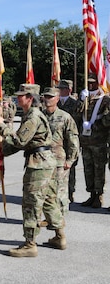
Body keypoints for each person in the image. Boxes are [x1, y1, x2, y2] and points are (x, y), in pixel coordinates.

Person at [0, 83, 65, 257]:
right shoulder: (32, 114)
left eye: (21, 95)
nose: (18, 98)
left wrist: (1, 125)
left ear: (29, 98)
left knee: (31, 203)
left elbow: (19, 141)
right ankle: (60, 236)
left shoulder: (33, 116)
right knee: (49, 200)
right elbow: (20, 144)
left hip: (39, 164)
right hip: (44, 161)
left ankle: (30, 244)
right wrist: (2, 148)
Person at [42, 87, 79, 216]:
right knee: (46, 190)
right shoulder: (41, 116)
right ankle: (50, 217)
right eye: (46, 96)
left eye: (50, 97)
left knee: (60, 190)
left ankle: (61, 217)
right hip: (43, 160)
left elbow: (73, 140)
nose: (47, 99)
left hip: (59, 161)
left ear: (57, 99)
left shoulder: (64, 117)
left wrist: (70, 160)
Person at [76, 73, 110, 208]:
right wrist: (80, 101)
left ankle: (99, 195)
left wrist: (94, 124)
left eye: (93, 82)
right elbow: (76, 115)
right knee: (88, 169)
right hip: (85, 141)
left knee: (98, 169)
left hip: (99, 141)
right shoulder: (84, 97)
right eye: (88, 82)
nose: (90, 85)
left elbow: (107, 122)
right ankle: (91, 194)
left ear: (98, 83)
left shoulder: (105, 100)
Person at [57, 79, 79, 202]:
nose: (59, 91)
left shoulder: (76, 104)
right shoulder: (56, 102)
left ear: (69, 90)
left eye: (62, 88)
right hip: (58, 142)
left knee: (70, 168)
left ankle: (70, 192)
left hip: (70, 140)